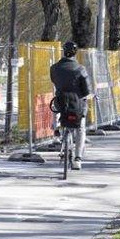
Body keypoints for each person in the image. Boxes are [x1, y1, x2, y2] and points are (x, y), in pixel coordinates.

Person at [50, 40, 90, 170]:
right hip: (76, 103)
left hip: (61, 101)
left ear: (63, 51)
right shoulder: (80, 69)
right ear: (75, 53)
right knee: (80, 127)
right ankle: (77, 158)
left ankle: (56, 130)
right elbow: (86, 91)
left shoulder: (54, 68)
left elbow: (55, 82)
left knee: (55, 108)